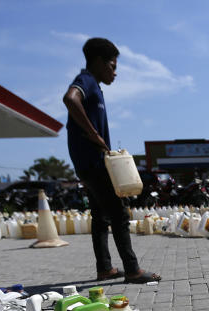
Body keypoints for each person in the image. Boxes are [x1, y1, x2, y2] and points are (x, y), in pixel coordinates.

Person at [63, 37, 159, 283]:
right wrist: (94, 134)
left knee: (100, 216)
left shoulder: (94, 85)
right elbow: (70, 98)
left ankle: (104, 268)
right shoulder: (86, 81)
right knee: (119, 213)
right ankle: (132, 269)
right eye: (112, 66)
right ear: (98, 62)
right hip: (93, 162)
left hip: (86, 163)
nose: (115, 72)